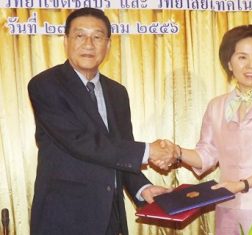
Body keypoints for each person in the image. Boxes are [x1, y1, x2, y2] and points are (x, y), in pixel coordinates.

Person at [28, 8, 174, 235]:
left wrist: (142, 187)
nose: (89, 43)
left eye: (97, 36)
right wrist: (148, 151)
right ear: (66, 40)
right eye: (80, 35)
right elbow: (79, 141)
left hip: (109, 217)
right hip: (62, 218)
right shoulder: (45, 85)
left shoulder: (117, 92)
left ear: (108, 44)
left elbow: (120, 149)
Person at [162, 24, 252, 234]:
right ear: (229, 62)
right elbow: (206, 155)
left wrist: (243, 184)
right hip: (228, 208)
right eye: (242, 57)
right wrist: (177, 152)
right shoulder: (217, 106)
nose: (251, 65)